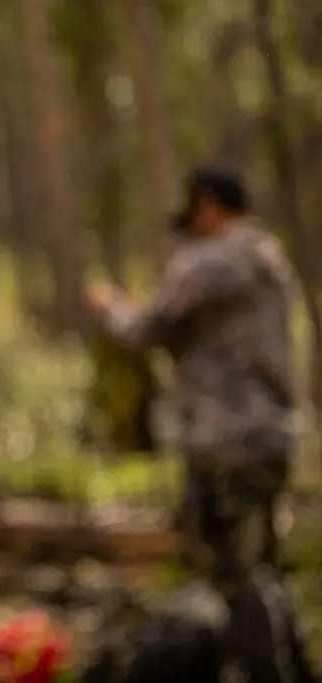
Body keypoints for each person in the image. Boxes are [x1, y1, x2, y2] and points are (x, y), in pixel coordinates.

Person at [86, 165, 314, 682]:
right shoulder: (266, 257)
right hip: (269, 437)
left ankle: (270, 675)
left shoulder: (213, 261)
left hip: (226, 440)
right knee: (262, 569)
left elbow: (145, 327)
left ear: (209, 204)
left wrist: (108, 307)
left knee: (229, 568)